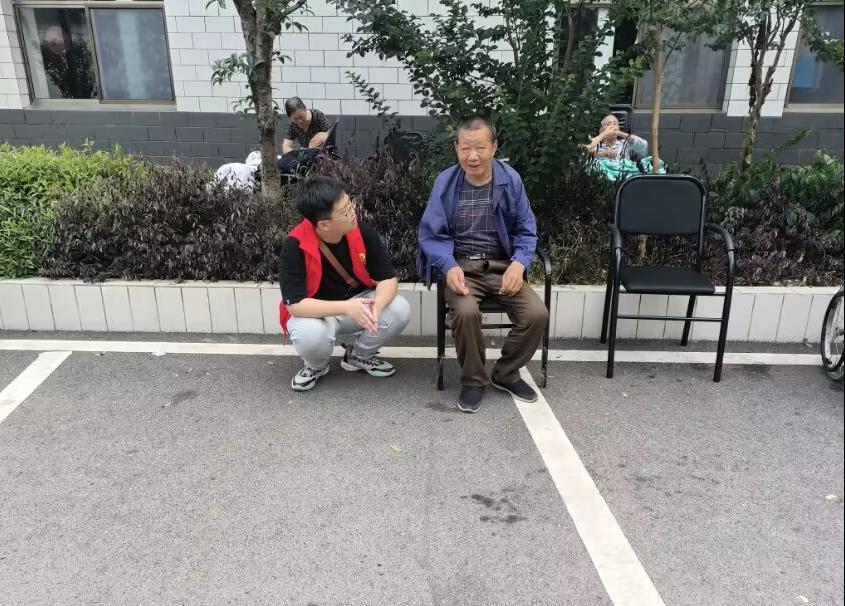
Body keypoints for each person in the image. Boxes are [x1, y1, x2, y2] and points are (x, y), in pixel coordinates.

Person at [418, 115, 548, 414]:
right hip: (462, 268)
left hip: (502, 266)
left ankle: (506, 373)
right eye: (465, 148)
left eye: (480, 148)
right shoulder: (445, 183)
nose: (472, 156)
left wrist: (519, 262)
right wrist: (448, 265)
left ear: (494, 147)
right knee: (465, 313)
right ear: (456, 148)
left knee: (536, 314)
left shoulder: (510, 180)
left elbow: (526, 229)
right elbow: (430, 233)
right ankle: (474, 380)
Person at [279, 175, 411, 392]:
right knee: (309, 334)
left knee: (399, 308)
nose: (353, 213)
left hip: (358, 305)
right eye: (345, 211)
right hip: (319, 312)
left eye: (350, 205)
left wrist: (377, 306)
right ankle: (316, 367)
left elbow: (387, 278)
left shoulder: (361, 231)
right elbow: (295, 305)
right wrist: (346, 307)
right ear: (324, 224)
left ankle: (359, 356)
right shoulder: (295, 245)